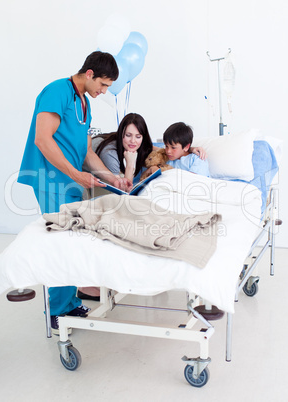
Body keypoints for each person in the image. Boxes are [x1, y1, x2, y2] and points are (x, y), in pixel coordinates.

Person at [17, 51, 131, 335]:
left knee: (72, 242)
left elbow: (86, 153)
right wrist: (75, 174)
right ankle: (57, 311)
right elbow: (42, 139)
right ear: (89, 73)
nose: (103, 91)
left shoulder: (84, 103)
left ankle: (68, 303)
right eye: (103, 85)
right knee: (61, 244)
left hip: (69, 182)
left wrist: (112, 177)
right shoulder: (57, 91)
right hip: (50, 180)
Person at [77, 116, 206, 302]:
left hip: (119, 187)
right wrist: (130, 163)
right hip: (96, 188)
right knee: (114, 219)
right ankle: (86, 285)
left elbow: (165, 151)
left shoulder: (142, 146)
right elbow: (122, 190)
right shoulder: (110, 153)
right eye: (128, 135)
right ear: (121, 134)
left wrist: (190, 149)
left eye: (138, 136)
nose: (133, 141)